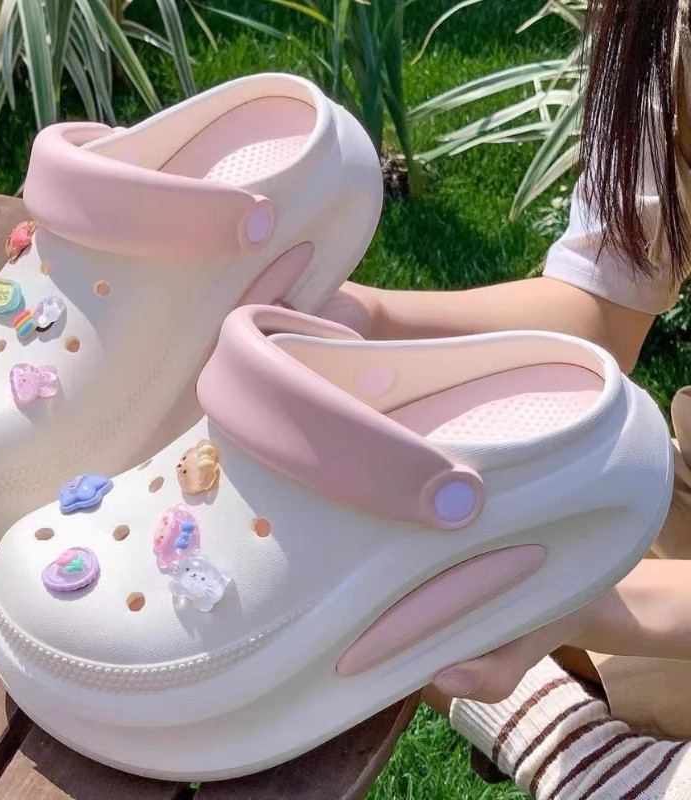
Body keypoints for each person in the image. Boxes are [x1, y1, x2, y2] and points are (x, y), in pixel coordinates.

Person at [321, 0, 691, 795]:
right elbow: (602, 311)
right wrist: (365, 317)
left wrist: (587, 604)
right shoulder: (661, 28)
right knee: (407, 509)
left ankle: (579, 750)